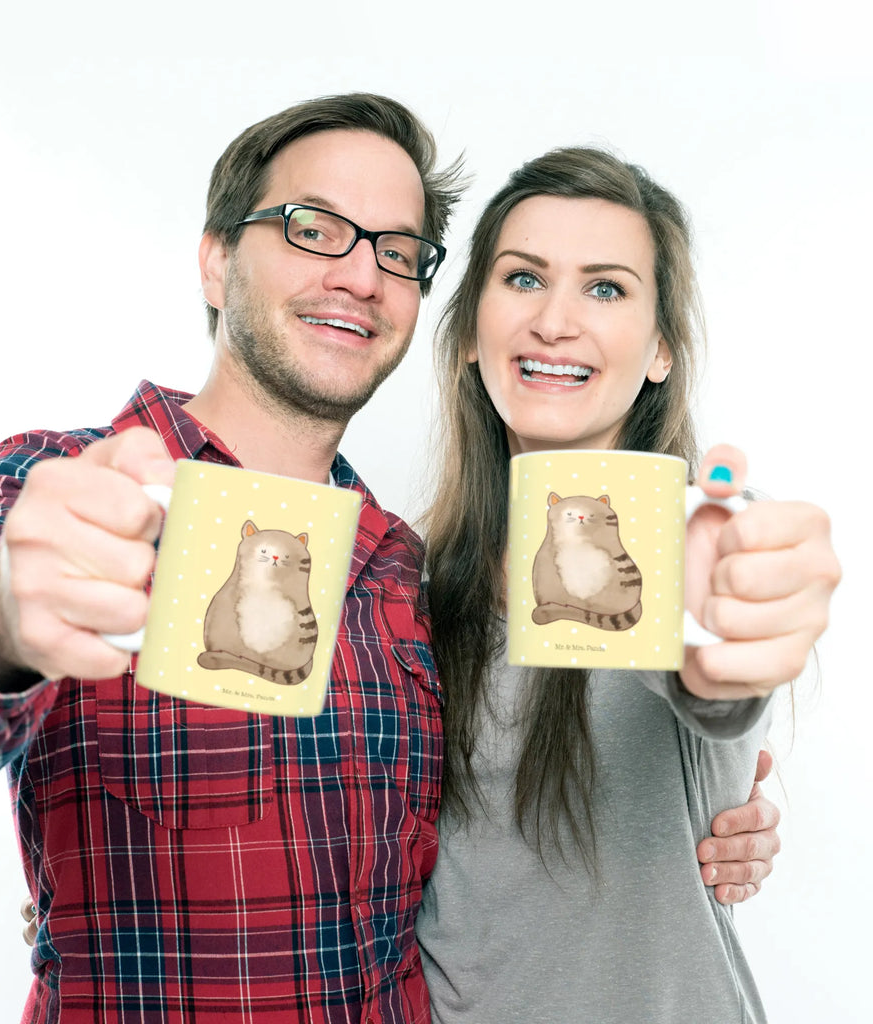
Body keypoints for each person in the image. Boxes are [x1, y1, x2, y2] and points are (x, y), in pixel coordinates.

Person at [0, 94, 785, 1024]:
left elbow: (662, 714)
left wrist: (718, 778)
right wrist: (1, 617)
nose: (359, 275)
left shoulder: (403, 575)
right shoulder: (65, 488)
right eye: (314, 229)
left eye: (396, 251)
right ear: (217, 260)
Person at [415, 147, 841, 1023]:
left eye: (605, 288)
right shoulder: (411, 585)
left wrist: (733, 642)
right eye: (524, 278)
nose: (555, 321)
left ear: (660, 351)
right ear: (467, 334)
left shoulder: (699, 543)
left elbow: (716, 683)